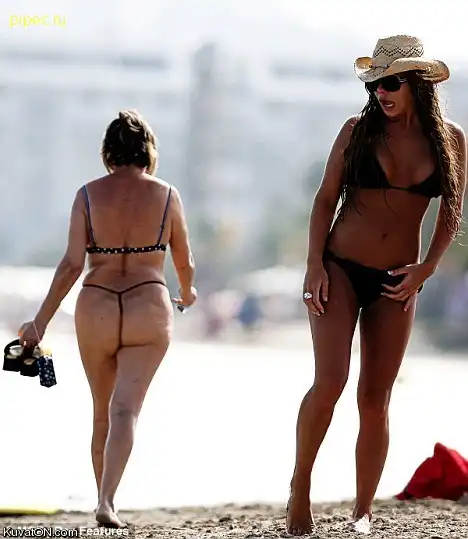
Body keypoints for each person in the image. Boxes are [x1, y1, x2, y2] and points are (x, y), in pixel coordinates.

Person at [286, 35, 467, 536]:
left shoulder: (450, 140)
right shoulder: (357, 131)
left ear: (418, 84)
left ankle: (362, 511)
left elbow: (451, 212)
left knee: (375, 397)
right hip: (340, 269)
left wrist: (427, 267)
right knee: (330, 382)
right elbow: (325, 200)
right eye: (375, 85)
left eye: (391, 83)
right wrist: (314, 265)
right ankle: (301, 485)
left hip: (398, 281)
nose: (381, 93)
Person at [17, 110, 197, 528]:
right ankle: (107, 501)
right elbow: (184, 261)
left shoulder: (87, 195)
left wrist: (39, 322)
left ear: (107, 151)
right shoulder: (167, 196)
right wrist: (188, 293)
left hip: (96, 305)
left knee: (102, 411)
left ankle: (103, 498)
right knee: (125, 411)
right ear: (148, 151)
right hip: (147, 305)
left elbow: (70, 265)